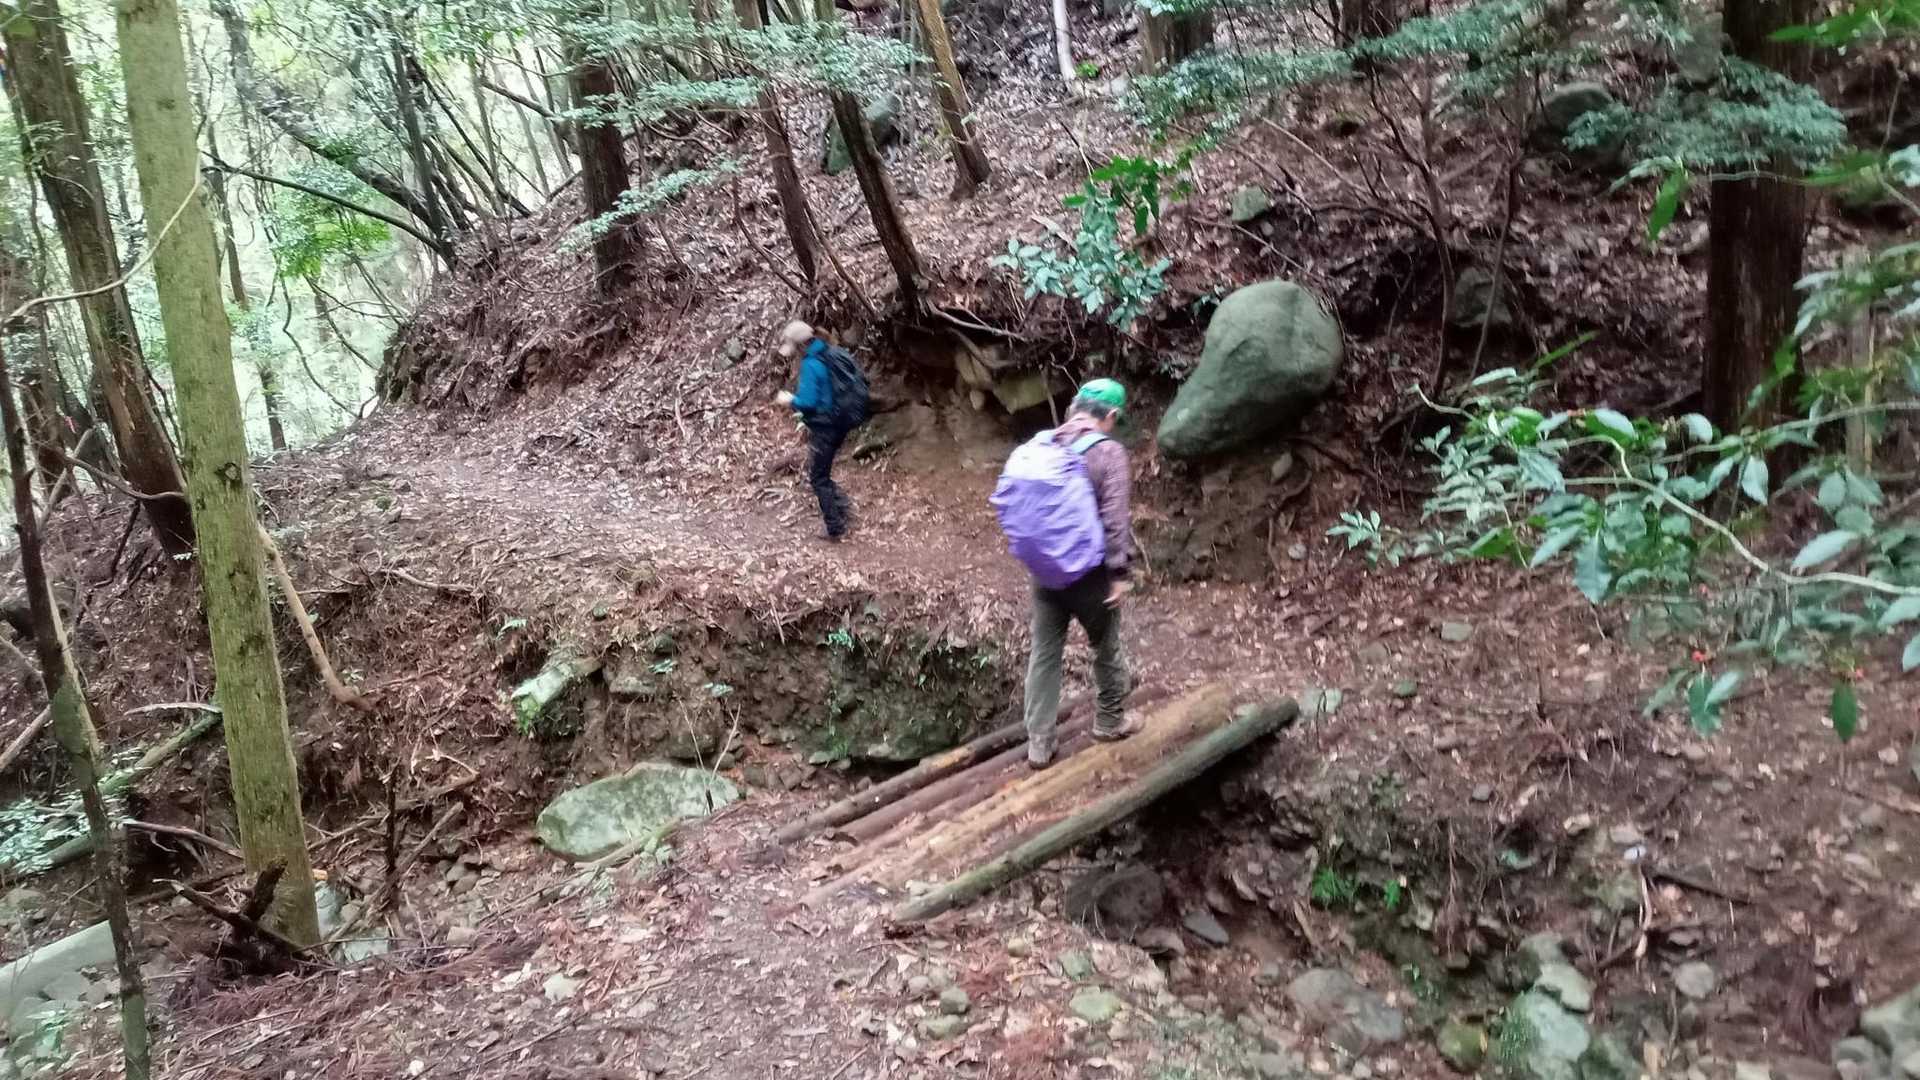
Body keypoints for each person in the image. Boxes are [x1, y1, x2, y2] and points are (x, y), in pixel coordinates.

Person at [1006, 378, 1136, 769]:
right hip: (1090, 575)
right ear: (1110, 415)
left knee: (1045, 653)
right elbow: (1115, 519)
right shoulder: (1109, 453)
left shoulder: (1047, 444)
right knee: (1106, 646)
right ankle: (1110, 721)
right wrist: (1119, 573)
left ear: (1076, 408)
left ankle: (1040, 743)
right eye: (1116, 420)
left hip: (1046, 572)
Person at [773, 320, 868, 542]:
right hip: (841, 422)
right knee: (822, 474)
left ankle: (835, 527)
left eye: (794, 348)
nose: (794, 354)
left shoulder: (811, 364)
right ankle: (842, 508)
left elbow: (808, 402)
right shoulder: (832, 351)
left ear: (801, 345)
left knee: (818, 478)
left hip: (826, 427)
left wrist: (789, 400)